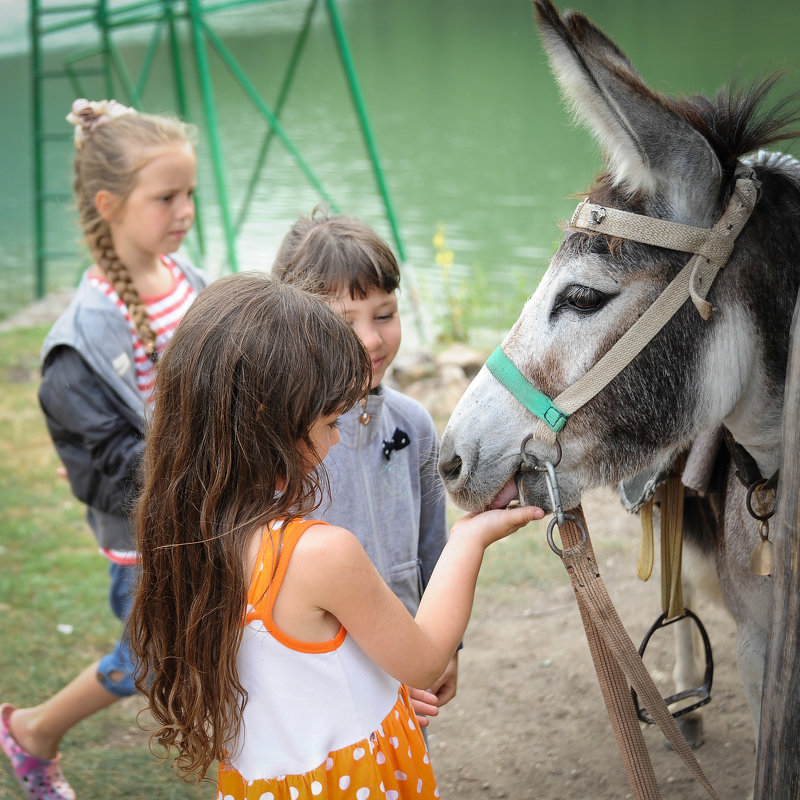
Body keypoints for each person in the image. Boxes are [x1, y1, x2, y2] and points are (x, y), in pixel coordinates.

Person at [128, 274, 542, 798]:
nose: (339, 437)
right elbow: (424, 659)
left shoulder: (190, 533)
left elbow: (282, 672)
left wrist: (375, 692)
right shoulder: (318, 554)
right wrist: (469, 539)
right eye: (329, 422)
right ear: (270, 424)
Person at [0, 98, 208, 800]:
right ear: (109, 203)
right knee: (150, 664)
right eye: (167, 198)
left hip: (211, 512)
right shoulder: (79, 341)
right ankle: (32, 731)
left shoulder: (191, 283)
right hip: (148, 539)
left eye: (190, 196)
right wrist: (212, 450)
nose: (184, 212)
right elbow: (107, 474)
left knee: (210, 642)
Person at [272, 209, 459, 713]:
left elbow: (432, 549)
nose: (372, 340)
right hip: (320, 679)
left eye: (384, 314)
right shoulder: (284, 443)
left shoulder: (414, 424)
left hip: (409, 664)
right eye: (344, 321)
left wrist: (444, 649)